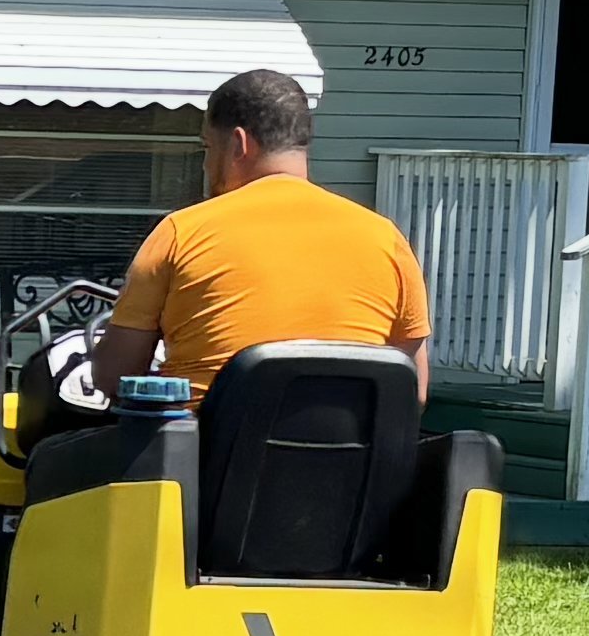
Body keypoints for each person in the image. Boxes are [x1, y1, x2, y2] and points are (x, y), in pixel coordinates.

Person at [99, 66, 434, 400]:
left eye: (208, 148)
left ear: (239, 144)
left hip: (208, 449)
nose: (205, 164)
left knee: (60, 451)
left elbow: (113, 378)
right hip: (354, 450)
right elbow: (414, 392)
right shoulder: (385, 239)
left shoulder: (180, 233)